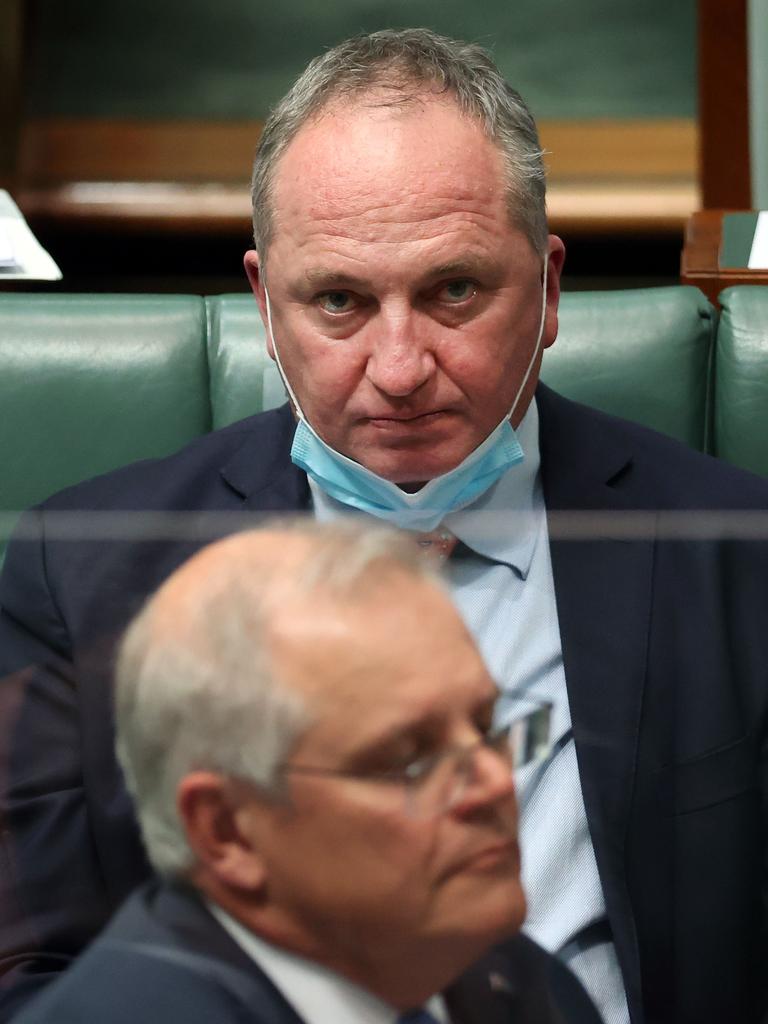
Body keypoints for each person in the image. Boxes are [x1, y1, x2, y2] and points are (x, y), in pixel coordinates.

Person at [0, 26, 766, 1024]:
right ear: (265, 308)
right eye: (339, 302)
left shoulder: (737, 556)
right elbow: (28, 979)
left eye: (454, 291)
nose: (400, 368)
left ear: (547, 290)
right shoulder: (83, 574)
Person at [13, 523, 601, 1024]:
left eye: (487, 726)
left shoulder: (520, 983)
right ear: (227, 831)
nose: (497, 786)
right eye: (411, 763)